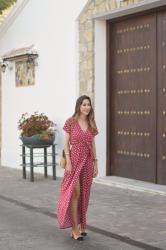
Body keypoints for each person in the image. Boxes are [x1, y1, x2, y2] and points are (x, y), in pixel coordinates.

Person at [57, 95, 99, 240]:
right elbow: (66, 143)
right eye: (84, 105)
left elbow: (92, 144)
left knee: (84, 195)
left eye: (88, 105)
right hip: (74, 161)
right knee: (76, 193)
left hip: (87, 162)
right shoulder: (71, 121)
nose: (87, 107)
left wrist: (95, 163)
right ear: (79, 106)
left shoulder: (91, 122)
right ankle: (74, 229)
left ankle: (80, 225)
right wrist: (68, 161)